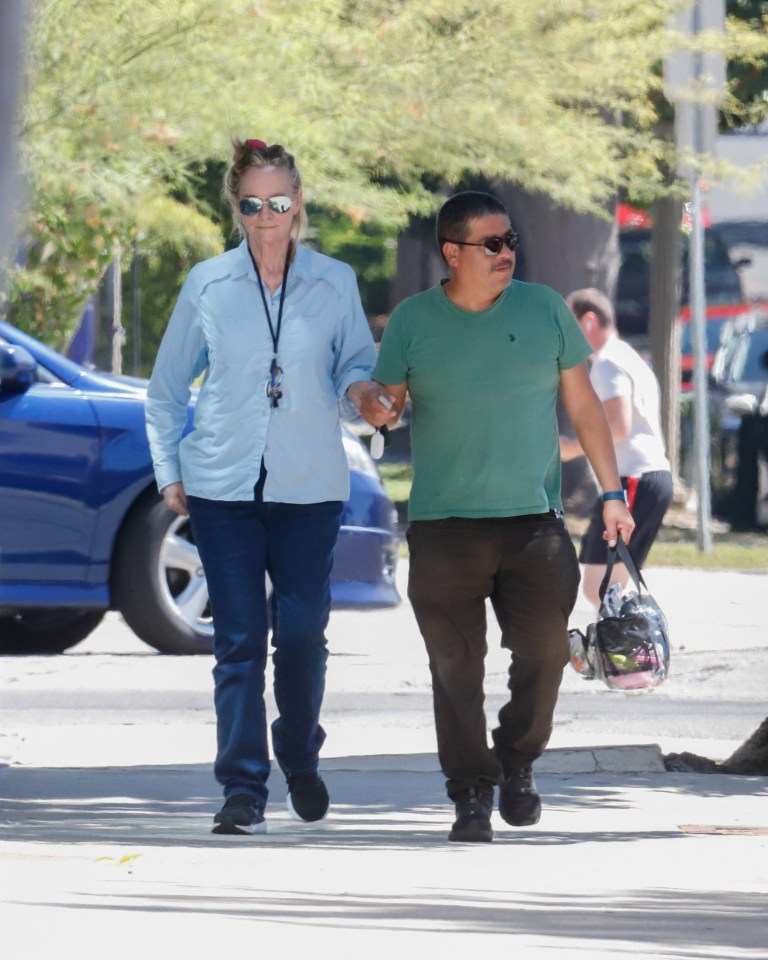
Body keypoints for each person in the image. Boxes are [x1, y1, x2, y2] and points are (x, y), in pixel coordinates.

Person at [362, 191, 635, 844]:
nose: (507, 252)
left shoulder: (544, 310)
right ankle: (471, 791)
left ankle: (517, 761)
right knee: (455, 666)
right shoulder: (412, 321)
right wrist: (376, 406)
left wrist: (612, 493)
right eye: (492, 244)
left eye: (510, 240)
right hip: (443, 525)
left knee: (544, 653)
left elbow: (586, 408)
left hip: (533, 525)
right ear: (452, 253)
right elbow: (387, 403)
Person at [146, 138, 379, 835]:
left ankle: (299, 755)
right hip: (222, 486)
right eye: (252, 204)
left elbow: (354, 372)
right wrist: (170, 473)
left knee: (303, 634)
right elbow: (163, 392)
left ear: (298, 202)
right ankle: (242, 787)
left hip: (309, 487)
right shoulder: (208, 283)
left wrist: (365, 394)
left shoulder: (334, 282)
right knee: (240, 639)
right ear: (237, 207)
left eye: (279, 202)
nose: (266, 216)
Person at [560, 288, 673, 609]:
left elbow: (619, 426)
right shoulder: (627, 357)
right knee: (612, 586)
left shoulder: (608, 362)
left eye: (571, 324)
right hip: (645, 478)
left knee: (602, 586)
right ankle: (617, 652)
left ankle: (630, 651)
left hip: (633, 479)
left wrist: (570, 448)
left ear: (589, 321)